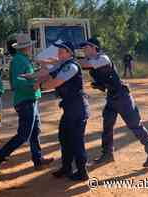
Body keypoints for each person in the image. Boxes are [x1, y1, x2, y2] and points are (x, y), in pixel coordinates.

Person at [80, 38, 148, 168]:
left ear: (95, 48)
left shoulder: (103, 58)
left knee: (135, 126)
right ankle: (107, 154)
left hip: (122, 97)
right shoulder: (94, 62)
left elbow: (84, 64)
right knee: (107, 125)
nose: (84, 50)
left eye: (86, 48)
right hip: (112, 97)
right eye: (83, 48)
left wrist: (70, 60)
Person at [0, 34, 54, 174]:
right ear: (26, 47)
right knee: (24, 134)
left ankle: (38, 159)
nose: (32, 47)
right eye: (30, 45)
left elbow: (22, 78)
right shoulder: (20, 60)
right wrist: (34, 83)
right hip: (26, 100)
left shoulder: (23, 59)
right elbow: (18, 81)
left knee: (34, 131)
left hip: (30, 99)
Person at [33, 41, 90, 181]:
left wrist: (41, 87)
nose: (58, 53)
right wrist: (37, 79)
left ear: (69, 53)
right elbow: (48, 73)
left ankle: (82, 172)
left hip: (77, 108)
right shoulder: (62, 64)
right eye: (58, 51)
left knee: (76, 140)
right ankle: (66, 168)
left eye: (61, 51)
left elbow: (57, 81)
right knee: (64, 138)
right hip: (70, 108)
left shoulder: (71, 66)